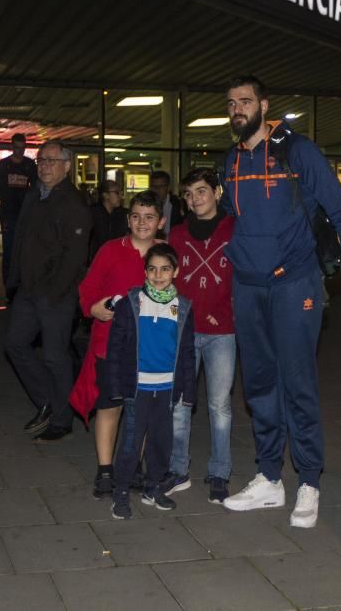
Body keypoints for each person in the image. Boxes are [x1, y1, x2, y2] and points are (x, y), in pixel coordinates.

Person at [219, 75, 341, 529]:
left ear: (264, 106)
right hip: (248, 288)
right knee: (260, 385)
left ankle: (309, 480)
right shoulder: (229, 161)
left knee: (297, 383)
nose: (237, 110)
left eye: (245, 102)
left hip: (295, 285)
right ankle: (270, 477)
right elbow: (235, 222)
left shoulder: (297, 151)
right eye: (231, 104)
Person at [70, 190, 164, 498]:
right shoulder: (110, 250)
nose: (142, 223)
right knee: (109, 408)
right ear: (128, 219)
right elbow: (87, 290)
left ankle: (133, 466)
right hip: (109, 345)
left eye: (149, 217)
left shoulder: (165, 255)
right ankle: (105, 470)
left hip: (150, 349)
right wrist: (93, 308)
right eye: (136, 216)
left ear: (160, 222)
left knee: (142, 410)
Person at [5, 141, 90, 442]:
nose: (44, 165)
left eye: (52, 160)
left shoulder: (73, 203)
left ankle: (63, 418)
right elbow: (21, 240)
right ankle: (48, 401)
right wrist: (13, 279)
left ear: (67, 166)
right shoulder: (34, 196)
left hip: (55, 293)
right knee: (14, 343)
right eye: (41, 159)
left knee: (55, 357)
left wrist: (54, 292)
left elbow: (75, 256)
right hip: (27, 289)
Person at [104, 243, 196, 519]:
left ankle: (153, 487)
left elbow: (188, 351)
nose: (158, 275)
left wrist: (188, 390)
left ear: (176, 271)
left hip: (167, 388)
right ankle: (120, 490)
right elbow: (116, 347)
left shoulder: (183, 307)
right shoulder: (133, 302)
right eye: (153, 269)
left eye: (165, 269)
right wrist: (115, 384)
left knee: (161, 441)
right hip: (138, 387)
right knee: (132, 441)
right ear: (145, 271)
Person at [164, 167, 236, 504]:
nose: (195, 200)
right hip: (185, 327)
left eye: (202, 192)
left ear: (217, 192)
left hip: (223, 330)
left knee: (220, 405)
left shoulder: (234, 228)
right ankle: (178, 469)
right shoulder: (176, 234)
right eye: (189, 194)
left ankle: (220, 472)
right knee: (180, 402)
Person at [0, 133, 38, 286]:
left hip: (25, 215)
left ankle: (20, 284)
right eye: (16, 148)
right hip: (8, 214)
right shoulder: (2, 166)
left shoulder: (30, 166)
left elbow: (35, 191)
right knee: (8, 251)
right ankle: (8, 285)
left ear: (25, 147)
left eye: (22, 148)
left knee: (23, 251)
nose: (19, 151)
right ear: (12, 147)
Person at [88, 180, 129, 260]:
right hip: (97, 261)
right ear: (105, 195)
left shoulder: (123, 214)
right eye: (117, 193)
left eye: (121, 193)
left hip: (117, 261)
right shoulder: (93, 214)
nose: (120, 196)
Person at [150, 170, 185, 236]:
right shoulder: (146, 206)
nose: (157, 190)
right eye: (154, 187)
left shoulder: (178, 204)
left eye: (161, 186)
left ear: (168, 188)